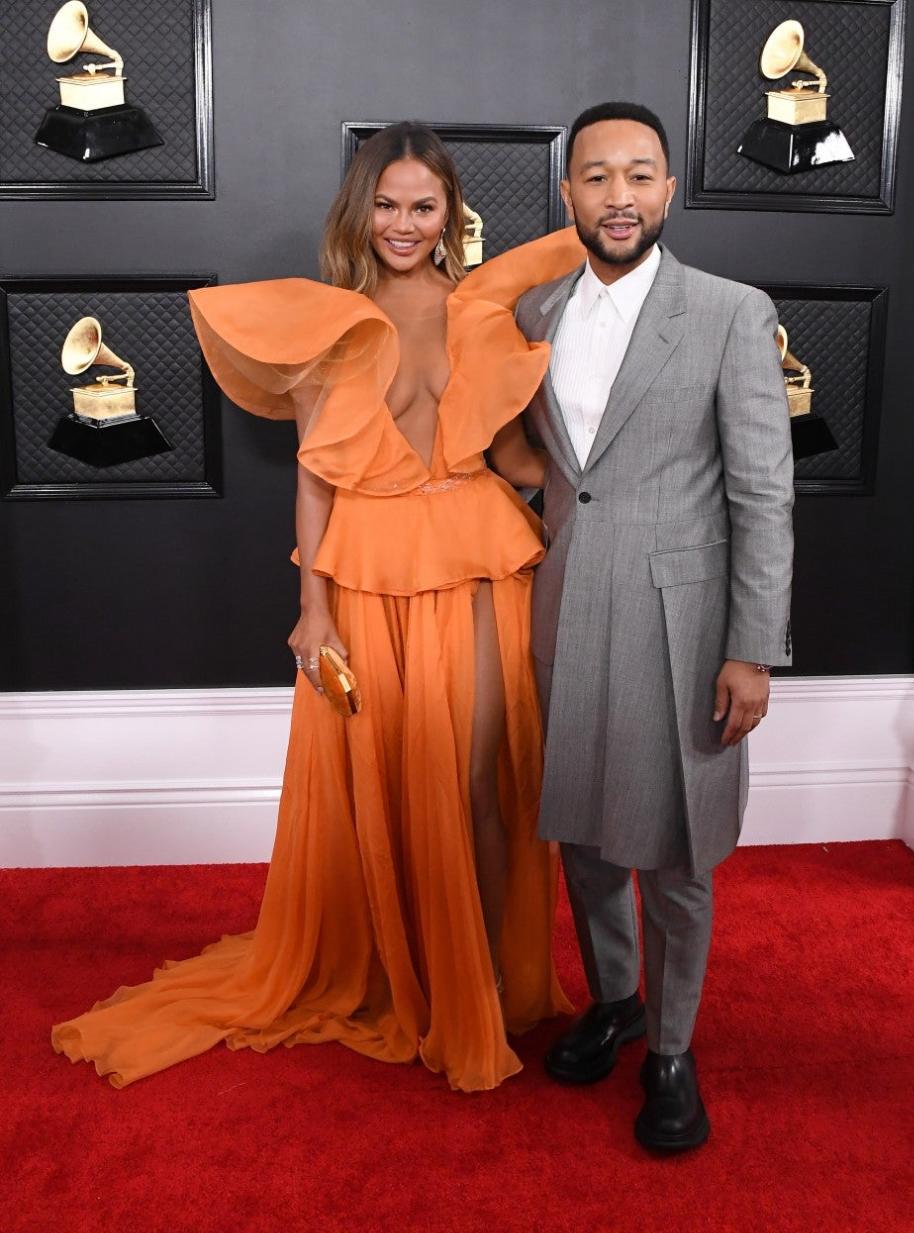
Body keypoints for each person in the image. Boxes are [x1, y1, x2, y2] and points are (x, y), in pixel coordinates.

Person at [52, 123, 584, 1092]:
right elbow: (315, 478)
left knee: (480, 777)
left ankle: (496, 989)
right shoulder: (327, 322)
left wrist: (604, 500)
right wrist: (314, 610)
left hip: (477, 560)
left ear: (449, 213)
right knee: (394, 781)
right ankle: (416, 981)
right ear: (360, 210)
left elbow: (509, 456)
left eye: (423, 206)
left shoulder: (481, 312)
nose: (404, 224)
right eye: (387, 204)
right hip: (367, 573)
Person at [514, 102, 794, 1150]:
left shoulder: (729, 309)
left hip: (687, 621)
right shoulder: (533, 314)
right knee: (584, 840)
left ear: (670, 190)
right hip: (566, 606)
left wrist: (753, 647)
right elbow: (541, 471)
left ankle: (673, 1050)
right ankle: (616, 1001)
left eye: (639, 174)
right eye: (596, 176)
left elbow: (765, 494)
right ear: (569, 192)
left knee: (677, 855)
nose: (618, 195)